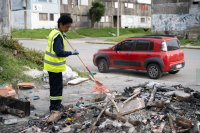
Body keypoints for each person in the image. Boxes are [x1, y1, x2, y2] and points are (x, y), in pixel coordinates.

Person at [44, 15, 79, 112]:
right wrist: (71, 53)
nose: (68, 29)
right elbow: (59, 52)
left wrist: (62, 34)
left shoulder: (54, 32)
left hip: (52, 66)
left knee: (56, 87)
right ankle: (55, 107)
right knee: (56, 88)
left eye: (69, 27)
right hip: (54, 67)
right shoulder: (58, 37)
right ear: (61, 24)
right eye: (66, 27)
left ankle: (57, 104)